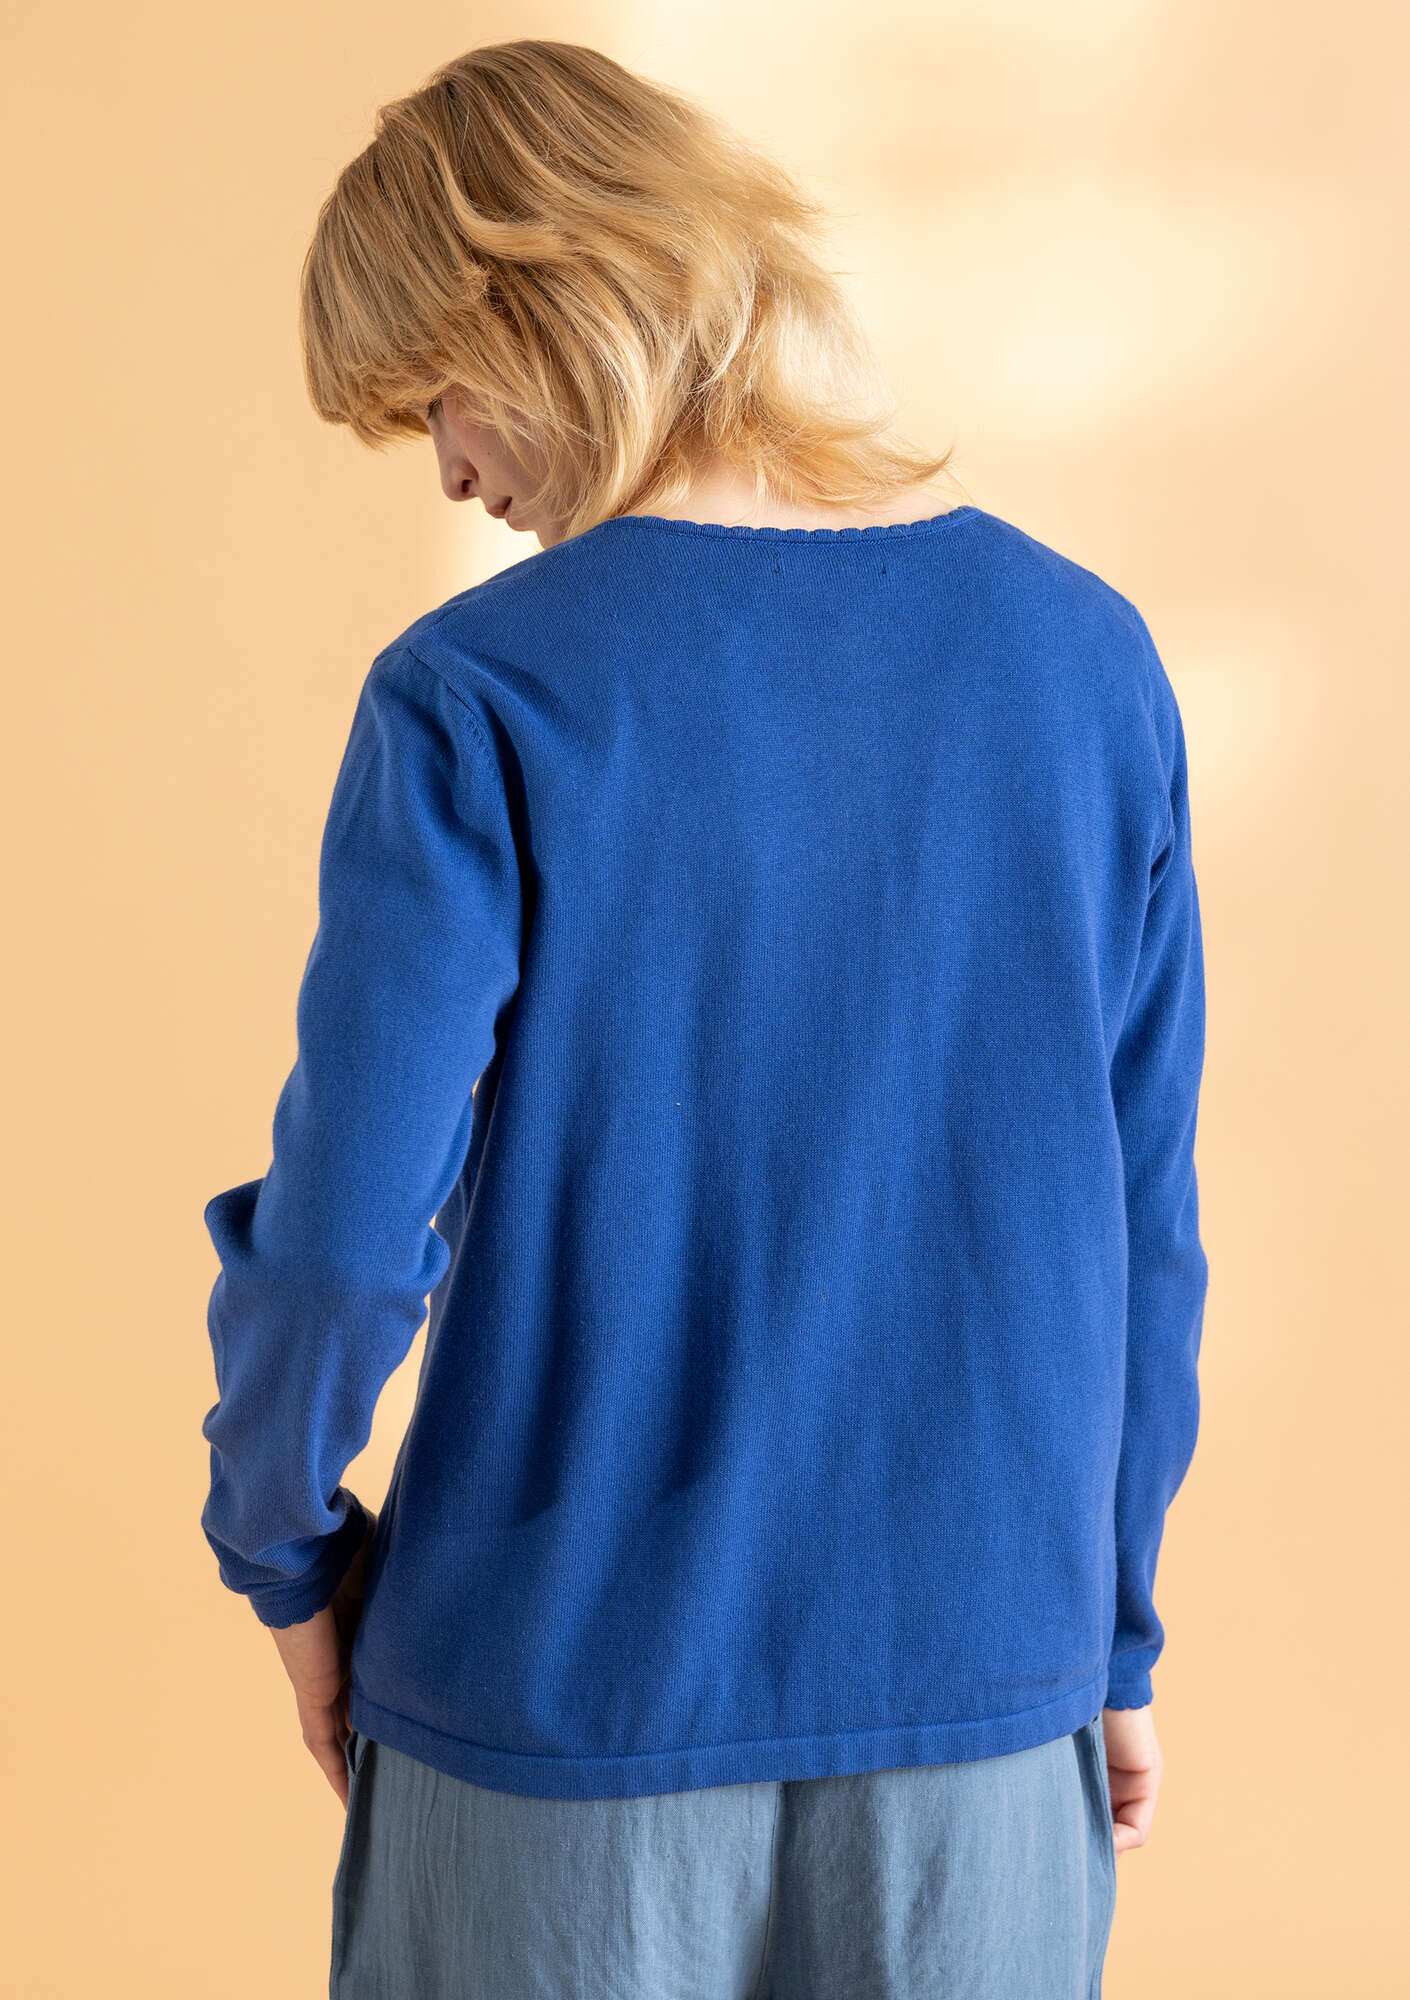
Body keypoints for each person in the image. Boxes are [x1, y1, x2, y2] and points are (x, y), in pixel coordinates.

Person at [197, 39, 1208, 2000]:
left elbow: (341, 1236)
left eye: (436, 396)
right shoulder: (1087, 662)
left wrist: (284, 1548)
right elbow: (1140, 1223)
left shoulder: (475, 696)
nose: (452, 473)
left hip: (552, 1720)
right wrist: (1110, 1633)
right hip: (986, 1725)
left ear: (544, 305)